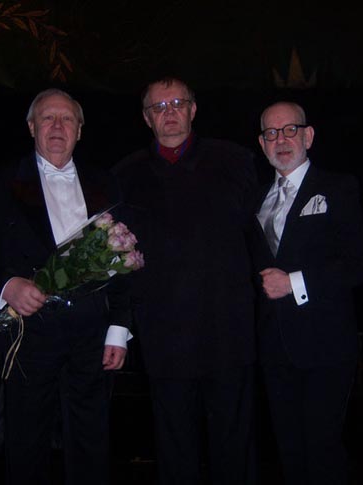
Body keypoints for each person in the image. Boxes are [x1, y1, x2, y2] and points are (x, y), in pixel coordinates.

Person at [0, 88, 131, 485]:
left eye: (67, 119)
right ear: (32, 127)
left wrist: (119, 328)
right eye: (48, 118)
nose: (57, 126)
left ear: (79, 131)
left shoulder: (106, 181)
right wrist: (6, 285)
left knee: (92, 446)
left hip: (91, 337)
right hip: (27, 334)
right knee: (26, 446)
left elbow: (124, 257)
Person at [112, 77, 258, 485]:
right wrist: (121, 326)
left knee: (235, 449)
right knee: (175, 453)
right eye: (159, 107)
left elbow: (263, 238)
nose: (170, 113)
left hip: (228, 333)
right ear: (146, 118)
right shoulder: (125, 175)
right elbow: (118, 261)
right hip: (165, 339)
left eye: (178, 103)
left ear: (194, 109)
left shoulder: (236, 162)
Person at [250, 101, 363, 485]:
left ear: (309, 135)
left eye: (290, 130)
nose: (281, 139)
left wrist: (294, 283)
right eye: (272, 133)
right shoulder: (255, 199)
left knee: (322, 451)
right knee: (290, 453)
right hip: (274, 348)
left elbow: (359, 265)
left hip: (326, 346)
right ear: (261, 143)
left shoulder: (338, 187)